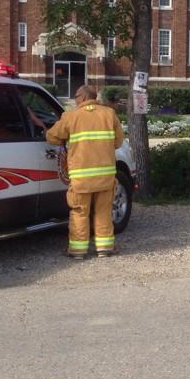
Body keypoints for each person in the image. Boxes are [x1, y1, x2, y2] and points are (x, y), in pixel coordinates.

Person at [46, 84, 125, 259]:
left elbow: (52, 137)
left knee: (80, 212)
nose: (75, 100)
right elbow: (118, 142)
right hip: (105, 176)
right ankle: (104, 248)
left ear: (82, 97)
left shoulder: (71, 116)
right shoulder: (109, 114)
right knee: (103, 212)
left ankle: (78, 251)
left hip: (81, 178)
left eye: (75, 96)